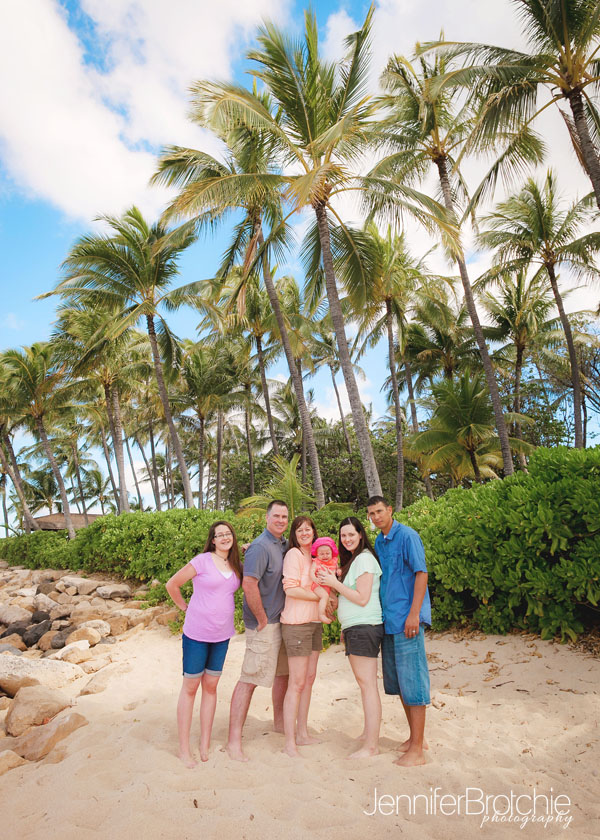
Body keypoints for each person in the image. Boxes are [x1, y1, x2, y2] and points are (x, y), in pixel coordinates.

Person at [166, 520, 243, 768]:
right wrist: (184, 607)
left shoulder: (235, 564)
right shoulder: (202, 560)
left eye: (227, 534)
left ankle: (204, 743)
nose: (224, 538)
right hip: (197, 634)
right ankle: (184, 749)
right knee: (190, 688)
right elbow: (172, 584)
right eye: (219, 535)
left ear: (232, 537)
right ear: (212, 540)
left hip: (222, 635)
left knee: (211, 687)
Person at [366, 495, 431, 768]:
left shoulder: (407, 536)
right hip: (389, 621)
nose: (376, 516)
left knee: (414, 682)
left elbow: (421, 573)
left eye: (380, 511)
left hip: (407, 619)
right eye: (371, 513)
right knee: (401, 684)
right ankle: (416, 738)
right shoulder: (380, 541)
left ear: (389, 510)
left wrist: (414, 613)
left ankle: (417, 749)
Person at [226, 499, 290, 761]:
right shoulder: (260, 547)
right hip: (264, 625)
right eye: (276, 516)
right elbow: (249, 584)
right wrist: (262, 617)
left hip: (283, 622)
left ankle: (278, 722)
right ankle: (233, 742)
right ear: (266, 518)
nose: (281, 520)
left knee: (282, 676)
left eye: (284, 517)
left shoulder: (283, 544)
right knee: (250, 679)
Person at [316, 517, 383, 759]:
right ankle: (368, 734)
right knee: (365, 684)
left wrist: (334, 583)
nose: (346, 539)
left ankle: (371, 746)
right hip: (357, 627)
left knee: (367, 686)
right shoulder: (355, 560)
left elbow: (362, 597)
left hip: (365, 626)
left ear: (361, 534)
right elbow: (350, 597)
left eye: (351, 535)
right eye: (343, 536)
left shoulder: (364, 558)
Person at [279, 516, 324, 757]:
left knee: (309, 678)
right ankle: (289, 742)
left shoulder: (316, 557)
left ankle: (303, 733)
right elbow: (291, 588)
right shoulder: (294, 555)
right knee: (296, 683)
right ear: (294, 535)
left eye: (308, 528)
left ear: (314, 532)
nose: (304, 532)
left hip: (315, 622)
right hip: (296, 624)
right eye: (299, 529)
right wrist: (320, 598)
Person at [309, 536, 339, 624]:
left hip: (329, 587)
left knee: (336, 601)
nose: (325, 556)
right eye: (322, 554)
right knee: (324, 596)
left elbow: (337, 570)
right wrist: (315, 579)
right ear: (317, 555)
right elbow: (311, 572)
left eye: (327, 553)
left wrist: (339, 571)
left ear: (332, 553)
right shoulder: (316, 562)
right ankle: (321, 614)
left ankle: (328, 613)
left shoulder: (334, 561)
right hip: (318, 585)